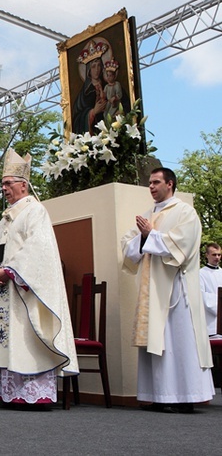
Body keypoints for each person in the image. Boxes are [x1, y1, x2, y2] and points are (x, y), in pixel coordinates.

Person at [0, 149, 78, 409]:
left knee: (26, 336)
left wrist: (11, 270)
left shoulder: (35, 211)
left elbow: (38, 248)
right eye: (2, 183)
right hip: (6, 288)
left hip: (26, 287)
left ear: (23, 185)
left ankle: (34, 394)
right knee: (8, 336)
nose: (4, 188)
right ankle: (10, 393)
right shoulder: (6, 217)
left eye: (8, 183)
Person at [121, 167, 214, 413]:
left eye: (155, 182)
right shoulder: (146, 214)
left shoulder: (186, 213)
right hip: (152, 290)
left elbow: (182, 246)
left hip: (177, 289)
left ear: (170, 184)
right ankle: (159, 396)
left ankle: (186, 397)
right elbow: (128, 249)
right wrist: (143, 238)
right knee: (157, 342)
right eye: (149, 183)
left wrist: (151, 235)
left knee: (179, 342)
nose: (151, 187)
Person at [72, 40, 108, 135]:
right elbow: (76, 118)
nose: (97, 69)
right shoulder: (84, 93)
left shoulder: (108, 86)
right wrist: (93, 112)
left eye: (99, 66)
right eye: (93, 66)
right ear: (88, 70)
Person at [200, 242, 222, 336]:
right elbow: (203, 298)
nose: (217, 257)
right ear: (207, 255)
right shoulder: (200, 274)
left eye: (219, 254)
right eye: (214, 254)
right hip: (210, 325)